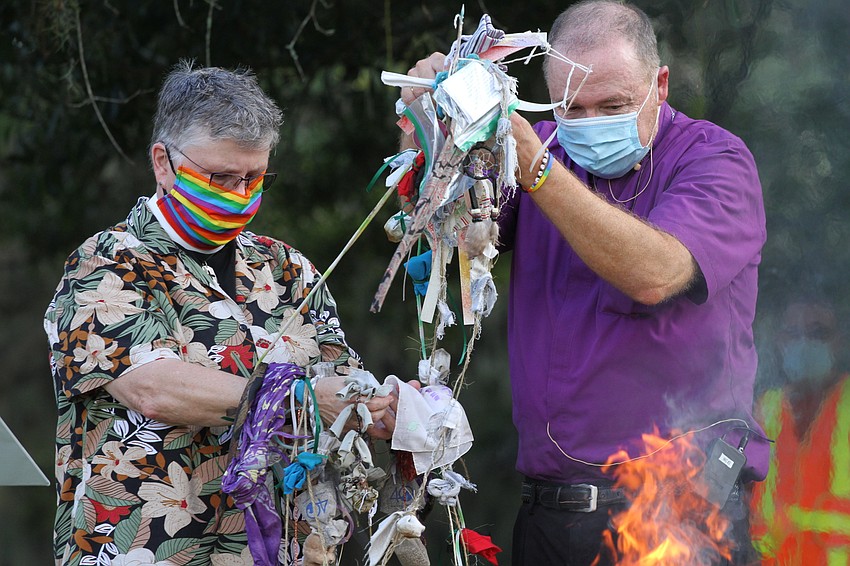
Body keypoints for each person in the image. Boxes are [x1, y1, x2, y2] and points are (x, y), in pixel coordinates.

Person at [402, 1, 768, 564]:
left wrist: (540, 171)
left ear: (660, 85)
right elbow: (434, 225)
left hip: (680, 513)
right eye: (573, 108)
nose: (593, 126)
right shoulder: (531, 144)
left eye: (615, 105)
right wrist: (430, 126)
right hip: (552, 515)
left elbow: (657, 273)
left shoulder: (715, 160)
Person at [44, 61, 396, 566]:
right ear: (163, 162)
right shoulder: (107, 262)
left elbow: (341, 386)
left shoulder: (288, 268)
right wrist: (296, 400)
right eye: (220, 176)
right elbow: (153, 387)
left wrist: (384, 409)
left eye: (254, 178)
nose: (238, 194)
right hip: (151, 547)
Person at [751, 298, 850, 564]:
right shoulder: (765, 409)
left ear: (838, 341)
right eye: (793, 333)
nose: (804, 343)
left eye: (817, 332)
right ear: (779, 341)